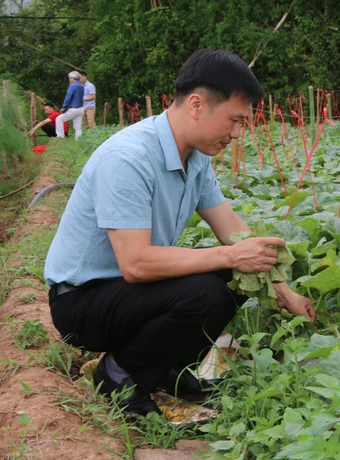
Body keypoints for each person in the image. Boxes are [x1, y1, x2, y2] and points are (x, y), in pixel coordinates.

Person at [44, 49, 315, 419]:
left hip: (128, 296)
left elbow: (233, 231)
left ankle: (164, 370)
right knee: (205, 288)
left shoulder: (196, 158)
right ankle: (118, 375)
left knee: (231, 273)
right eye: (234, 121)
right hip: (82, 304)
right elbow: (136, 264)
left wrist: (284, 290)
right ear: (197, 105)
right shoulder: (129, 157)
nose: (237, 134)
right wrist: (232, 256)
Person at [57, 71, 85, 139]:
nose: (69, 80)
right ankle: (78, 139)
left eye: (70, 78)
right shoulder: (81, 86)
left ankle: (60, 136)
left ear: (73, 78)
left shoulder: (72, 85)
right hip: (81, 108)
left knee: (59, 119)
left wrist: (64, 107)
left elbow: (68, 97)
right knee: (78, 126)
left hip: (73, 108)